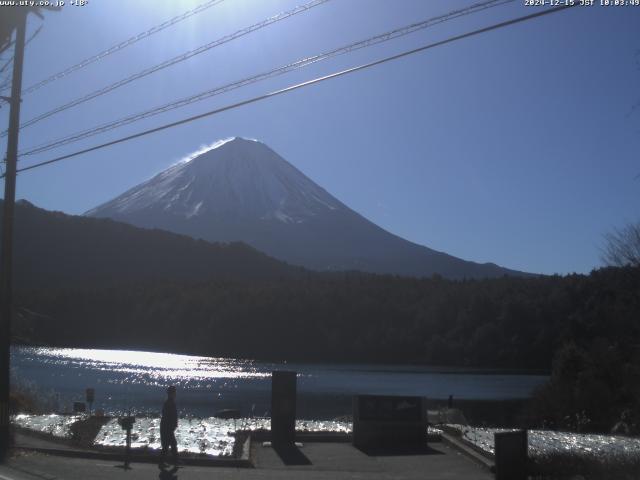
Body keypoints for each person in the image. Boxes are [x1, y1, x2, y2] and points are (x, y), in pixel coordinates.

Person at [160, 385, 178, 465]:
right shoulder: (169, 403)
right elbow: (169, 416)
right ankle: (174, 460)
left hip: (167, 427)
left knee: (168, 445)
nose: (175, 394)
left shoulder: (169, 402)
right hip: (167, 427)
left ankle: (172, 461)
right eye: (174, 392)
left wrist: (174, 424)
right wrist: (172, 425)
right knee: (170, 444)